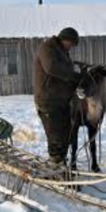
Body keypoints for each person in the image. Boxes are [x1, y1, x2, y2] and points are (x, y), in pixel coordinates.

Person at [34, 27, 81, 165]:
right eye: (71, 44)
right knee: (55, 136)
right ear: (64, 39)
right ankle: (55, 166)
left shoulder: (63, 52)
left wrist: (76, 85)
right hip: (48, 100)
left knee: (65, 135)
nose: (71, 47)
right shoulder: (47, 48)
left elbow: (65, 76)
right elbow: (52, 68)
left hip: (62, 101)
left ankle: (60, 163)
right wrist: (74, 77)